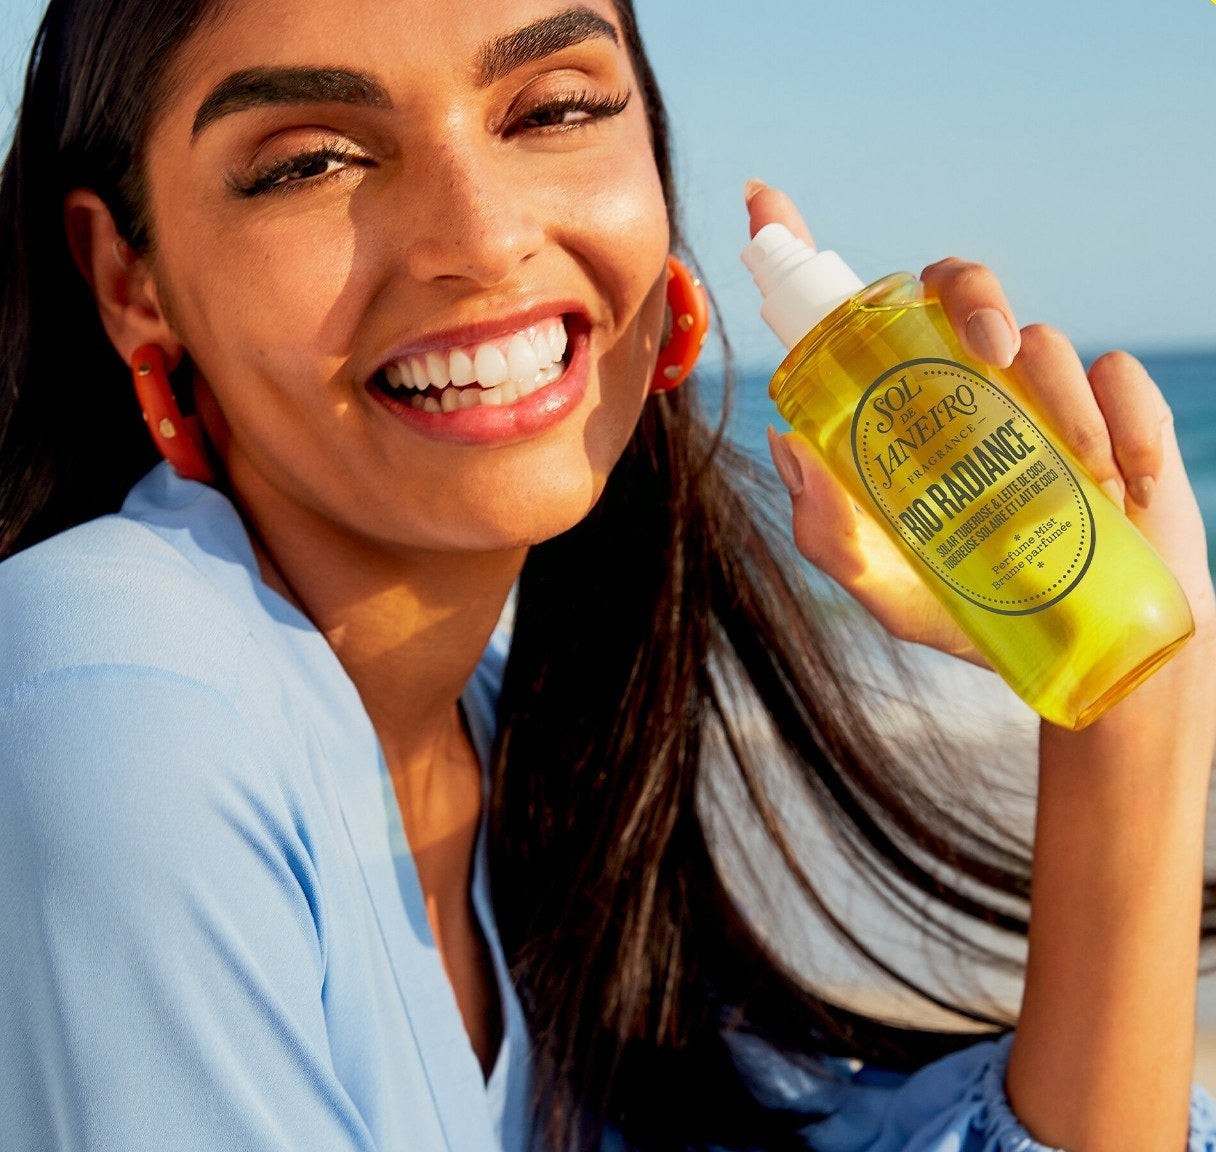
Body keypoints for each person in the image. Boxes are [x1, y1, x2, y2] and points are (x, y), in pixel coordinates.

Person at [0, 0, 1213, 1149]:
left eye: (555, 110)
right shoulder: (120, 703)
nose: (481, 240)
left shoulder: (506, 730)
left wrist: (1125, 683)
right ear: (128, 280)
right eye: (310, 159)